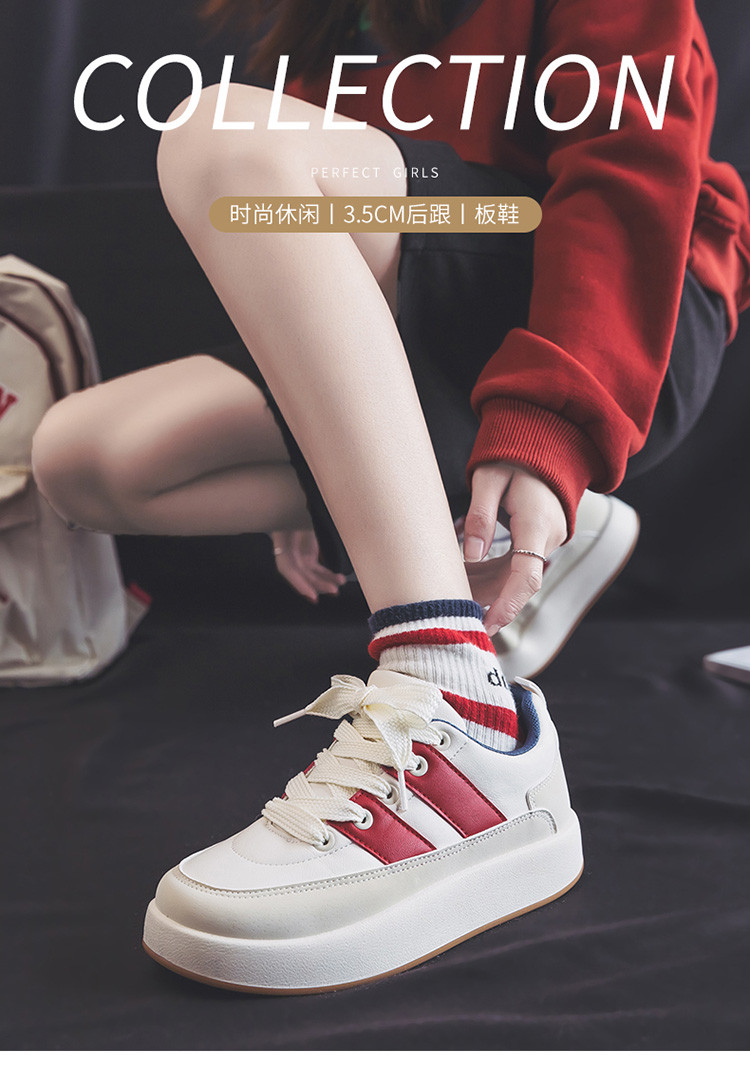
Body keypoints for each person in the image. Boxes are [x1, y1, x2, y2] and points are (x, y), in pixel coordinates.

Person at [29, 0, 750, 992]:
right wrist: (324, 450)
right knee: (83, 457)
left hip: (609, 300)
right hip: (430, 300)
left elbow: (630, 173)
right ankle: (521, 534)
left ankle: (458, 697)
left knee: (225, 138)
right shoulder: (335, 19)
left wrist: (552, 425)